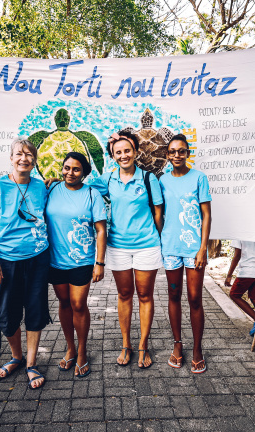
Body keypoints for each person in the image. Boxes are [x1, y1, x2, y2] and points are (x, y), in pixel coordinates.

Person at [0, 138, 50, 390]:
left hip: (38, 259)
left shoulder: (41, 187)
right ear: (11, 158)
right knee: (7, 314)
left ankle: (31, 363)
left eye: (29, 155)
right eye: (19, 154)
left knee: (35, 311)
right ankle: (16, 357)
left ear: (34, 161)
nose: (24, 158)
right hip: (5, 262)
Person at [90, 130, 164, 368]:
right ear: (113, 156)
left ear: (135, 152)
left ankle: (143, 345)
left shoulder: (148, 178)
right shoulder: (108, 179)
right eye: (118, 152)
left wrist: (156, 236)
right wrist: (52, 184)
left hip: (146, 246)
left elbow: (158, 212)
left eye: (127, 151)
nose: (123, 155)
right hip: (118, 246)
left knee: (145, 295)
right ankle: (126, 344)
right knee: (124, 295)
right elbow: (79, 185)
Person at [45, 152, 107, 378]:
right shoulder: (50, 189)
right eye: (66, 167)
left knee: (78, 304)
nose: (70, 173)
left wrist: (99, 262)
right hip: (55, 259)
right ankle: (70, 347)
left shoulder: (92, 194)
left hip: (82, 260)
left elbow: (101, 229)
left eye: (76, 169)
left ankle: (82, 351)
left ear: (84, 173)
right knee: (63, 303)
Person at [159, 134, 212, 373]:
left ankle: (198, 348)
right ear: (167, 155)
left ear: (187, 153)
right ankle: (178, 344)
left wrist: (203, 248)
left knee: (194, 298)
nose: (177, 155)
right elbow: (159, 212)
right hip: (171, 248)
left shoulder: (199, 178)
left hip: (193, 249)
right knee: (173, 296)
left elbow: (206, 215)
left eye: (182, 151)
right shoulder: (162, 180)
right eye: (173, 151)